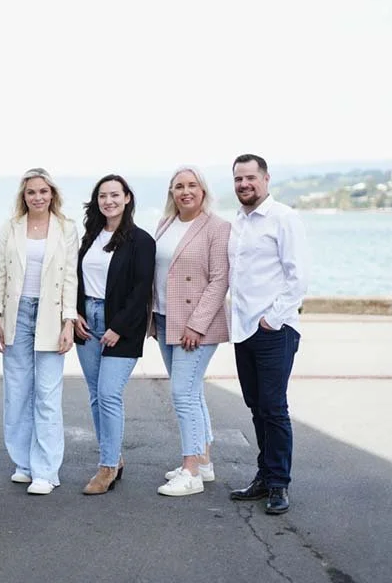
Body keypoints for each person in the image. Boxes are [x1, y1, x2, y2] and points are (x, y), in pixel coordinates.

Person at [0, 168, 79, 495]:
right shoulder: (11, 228)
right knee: (17, 392)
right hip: (17, 313)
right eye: (31, 192)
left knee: (47, 394)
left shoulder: (66, 229)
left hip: (51, 315)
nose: (37, 197)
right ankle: (24, 463)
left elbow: (70, 277)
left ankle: (46, 470)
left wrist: (69, 321)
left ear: (52, 193)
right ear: (23, 196)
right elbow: (0, 273)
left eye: (43, 191)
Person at [227, 154, 308, 515]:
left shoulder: (284, 218)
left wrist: (273, 319)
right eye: (238, 179)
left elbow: (298, 277)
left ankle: (279, 484)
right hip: (243, 330)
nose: (244, 185)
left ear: (266, 179)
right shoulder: (239, 223)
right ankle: (264, 476)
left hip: (274, 330)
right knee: (257, 406)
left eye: (250, 178)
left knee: (274, 408)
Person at [150, 166, 230, 497]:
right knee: (192, 392)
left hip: (196, 326)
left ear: (203, 190)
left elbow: (219, 279)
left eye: (192, 185)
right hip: (166, 318)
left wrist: (196, 324)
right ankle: (204, 461)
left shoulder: (217, 227)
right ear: (171, 192)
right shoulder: (165, 224)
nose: (186, 191)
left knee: (182, 395)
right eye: (179, 186)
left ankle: (191, 471)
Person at [74, 174, 155, 495]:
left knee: (109, 394)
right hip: (87, 321)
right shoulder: (89, 237)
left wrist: (118, 327)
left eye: (114, 195)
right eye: (103, 196)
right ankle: (114, 457)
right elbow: (76, 279)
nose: (108, 201)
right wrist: (75, 313)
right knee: (96, 396)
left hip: (121, 326)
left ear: (127, 199)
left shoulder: (141, 240)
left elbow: (141, 290)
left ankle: (107, 467)